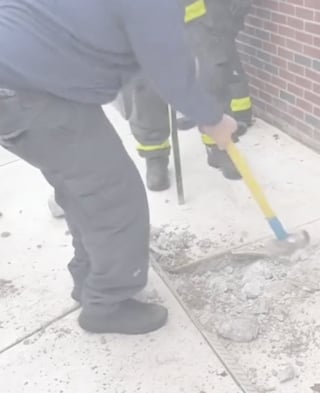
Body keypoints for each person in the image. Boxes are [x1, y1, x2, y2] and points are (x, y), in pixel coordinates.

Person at [0, 0, 236, 335]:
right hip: (33, 94)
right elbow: (169, 70)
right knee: (116, 202)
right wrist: (212, 118)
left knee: (84, 191)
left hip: (27, 86)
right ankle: (106, 305)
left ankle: (88, 278)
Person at [116, 0, 252, 191]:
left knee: (211, 78)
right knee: (145, 89)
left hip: (196, 19)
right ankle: (155, 155)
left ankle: (218, 147)